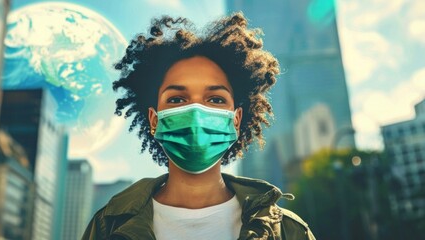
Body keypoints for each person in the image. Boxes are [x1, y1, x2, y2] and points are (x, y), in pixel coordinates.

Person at [82, 12, 316, 240]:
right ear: (154, 120)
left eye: (215, 99)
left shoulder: (287, 231)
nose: (196, 113)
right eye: (176, 99)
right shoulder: (107, 228)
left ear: (236, 120)